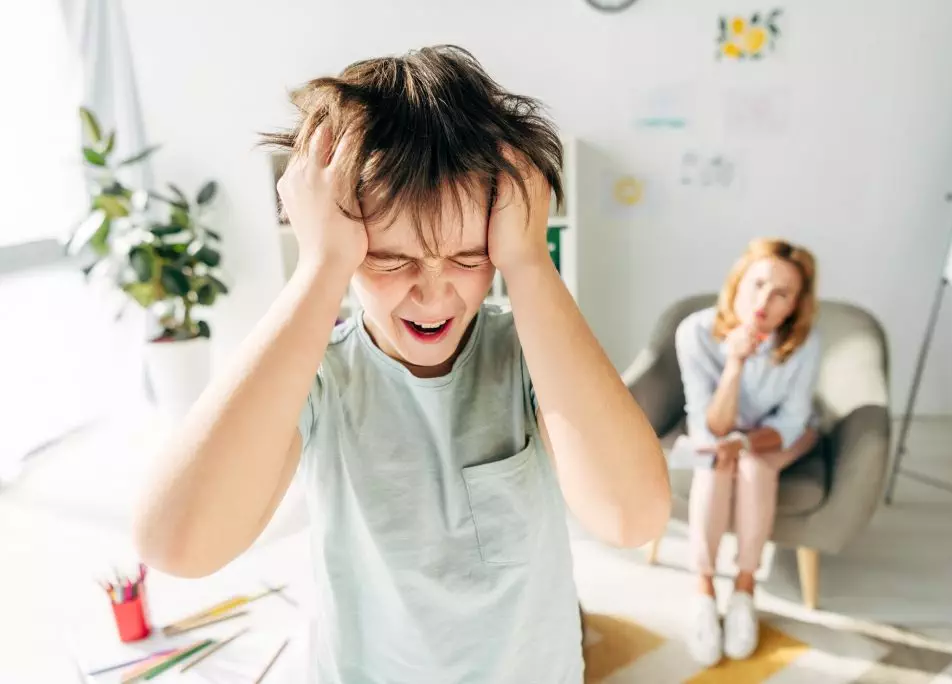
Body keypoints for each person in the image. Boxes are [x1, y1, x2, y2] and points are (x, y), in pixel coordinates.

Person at [132, 45, 671, 683]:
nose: (435, 292)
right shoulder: (318, 376)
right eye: (391, 259)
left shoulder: (530, 355)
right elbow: (175, 545)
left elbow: (632, 517)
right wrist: (319, 267)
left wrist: (528, 262)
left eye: (471, 255)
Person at [674, 238, 820, 666]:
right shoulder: (696, 333)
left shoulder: (803, 342)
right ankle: (702, 588)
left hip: (779, 437)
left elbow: (792, 421)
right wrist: (734, 362)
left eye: (781, 294)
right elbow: (712, 425)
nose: (764, 302)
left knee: (755, 467)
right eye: (757, 285)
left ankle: (743, 587)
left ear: (794, 305)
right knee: (714, 466)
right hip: (720, 435)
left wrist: (745, 443)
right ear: (737, 283)